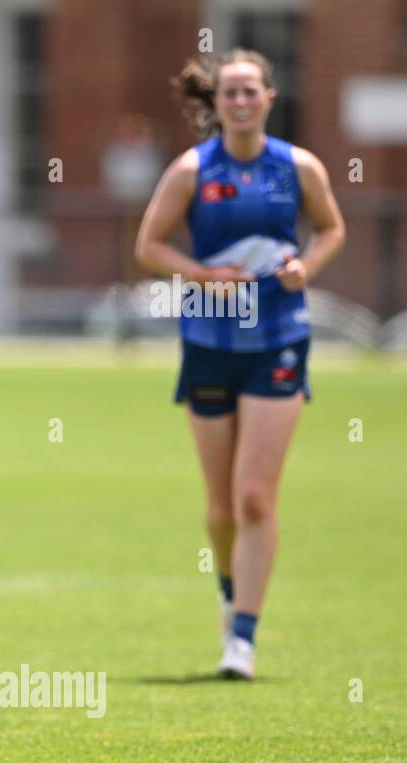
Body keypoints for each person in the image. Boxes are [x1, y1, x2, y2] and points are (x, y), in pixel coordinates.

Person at [135, 49, 345, 679]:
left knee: (255, 498)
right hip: (208, 343)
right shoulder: (193, 169)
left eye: (251, 90)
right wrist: (201, 274)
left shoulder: (298, 167)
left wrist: (307, 265)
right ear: (217, 101)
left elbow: (332, 230)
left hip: (279, 340)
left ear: (270, 97)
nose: (241, 100)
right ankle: (229, 593)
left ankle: (243, 639)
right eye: (230, 92)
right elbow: (148, 245)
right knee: (222, 507)